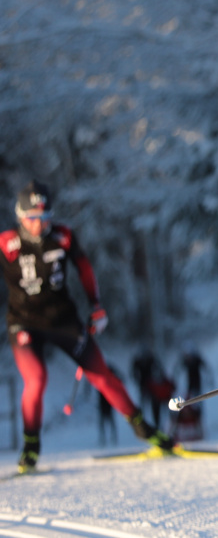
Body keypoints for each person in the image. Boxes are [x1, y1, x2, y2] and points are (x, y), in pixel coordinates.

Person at [0, 180, 175, 473]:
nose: (38, 225)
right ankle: (31, 447)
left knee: (102, 376)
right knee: (37, 379)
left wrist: (97, 306)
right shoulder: (6, 243)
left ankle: (145, 429)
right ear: (20, 216)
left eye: (44, 218)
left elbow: (84, 268)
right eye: (32, 218)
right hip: (24, 322)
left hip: (63, 319)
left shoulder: (63, 236)